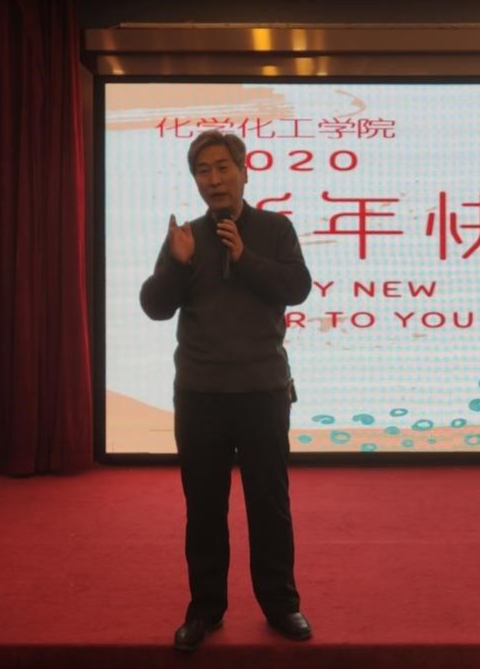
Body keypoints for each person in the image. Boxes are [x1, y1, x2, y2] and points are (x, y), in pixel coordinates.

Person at [140, 130, 313, 651]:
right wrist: (177, 264)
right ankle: (205, 609)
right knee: (204, 508)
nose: (213, 179)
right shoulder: (186, 235)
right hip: (201, 394)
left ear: (243, 170)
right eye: (203, 171)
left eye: (222, 168)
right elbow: (155, 306)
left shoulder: (275, 229)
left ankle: (281, 605)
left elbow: (297, 288)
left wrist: (244, 257)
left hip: (263, 390)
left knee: (269, 504)